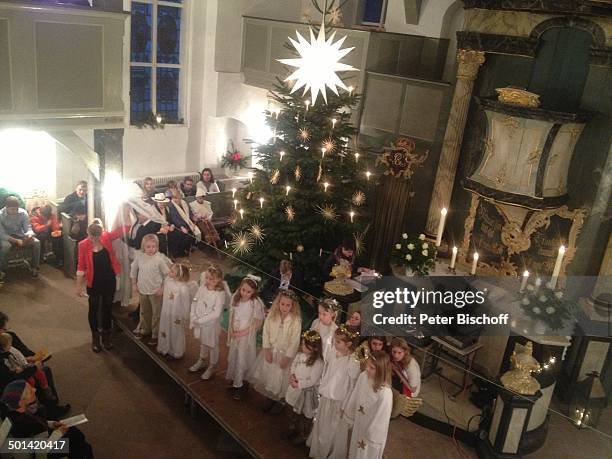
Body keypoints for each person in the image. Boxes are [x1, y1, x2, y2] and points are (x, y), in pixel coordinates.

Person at [307, 324, 361, 459]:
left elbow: (353, 384)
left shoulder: (353, 360)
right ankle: (318, 450)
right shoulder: (333, 352)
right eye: (335, 340)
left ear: (348, 344)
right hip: (327, 396)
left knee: (333, 429)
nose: (334, 343)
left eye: (338, 342)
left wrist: (347, 405)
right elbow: (328, 370)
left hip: (340, 400)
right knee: (322, 424)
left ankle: (329, 453)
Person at [1, 380, 93, 458]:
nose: (34, 389)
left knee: (74, 433)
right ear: (20, 403)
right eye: (30, 391)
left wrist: (51, 424)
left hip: (38, 441)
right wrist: (58, 433)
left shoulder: (19, 412)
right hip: (37, 452)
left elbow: (38, 422)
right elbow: (40, 451)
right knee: (77, 442)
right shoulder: (22, 425)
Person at [76, 217, 128, 352]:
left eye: (97, 237)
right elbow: (81, 266)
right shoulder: (83, 245)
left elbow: (123, 229)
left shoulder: (106, 237)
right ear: (88, 234)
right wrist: (78, 286)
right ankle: (95, 339)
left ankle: (106, 337)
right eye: (92, 237)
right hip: (94, 281)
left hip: (108, 279)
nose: (94, 240)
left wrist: (127, 209)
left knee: (107, 308)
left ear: (101, 233)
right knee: (93, 309)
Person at [0, 311, 67, 415]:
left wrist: (36, 357)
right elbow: (11, 379)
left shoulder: (9, 337)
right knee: (43, 371)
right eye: (4, 329)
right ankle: (48, 409)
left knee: (42, 370)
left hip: (20, 367)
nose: (6, 331)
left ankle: (51, 407)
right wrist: (34, 368)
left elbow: (24, 352)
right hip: (10, 384)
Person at [251, 290, 302, 414]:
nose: (284, 307)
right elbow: (266, 332)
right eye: (282, 304)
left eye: (288, 305)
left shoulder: (295, 320)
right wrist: (266, 348)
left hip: (285, 355)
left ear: (292, 306)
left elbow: (295, 341)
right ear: (278, 303)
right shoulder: (272, 315)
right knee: (270, 375)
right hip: (272, 351)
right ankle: (271, 397)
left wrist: (288, 357)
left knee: (282, 378)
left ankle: (281, 400)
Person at [342, 351, 393, 459]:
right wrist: (349, 413)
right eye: (367, 365)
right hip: (360, 423)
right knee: (355, 450)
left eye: (372, 367)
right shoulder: (363, 376)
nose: (367, 369)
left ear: (381, 371)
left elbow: (381, 419)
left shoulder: (385, 393)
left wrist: (370, 435)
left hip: (370, 432)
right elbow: (355, 395)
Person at [226, 275, 265, 401]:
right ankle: (236, 381)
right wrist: (231, 329)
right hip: (235, 334)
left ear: (253, 292)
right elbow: (232, 315)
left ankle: (240, 385)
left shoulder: (255, 303)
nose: (245, 293)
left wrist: (242, 333)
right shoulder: (236, 298)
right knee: (235, 357)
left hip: (245, 337)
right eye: (243, 290)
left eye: (248, 292)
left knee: (242, 359)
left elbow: (258, 322)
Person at [130, 234, 171, 346]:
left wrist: (162, 288)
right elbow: (133, 271)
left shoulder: (159, 259)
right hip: (143, 290)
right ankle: (145, 329)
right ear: (144, 246)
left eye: (153, 246)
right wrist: (134, 284)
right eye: (148, 246)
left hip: (155, 291)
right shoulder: (140, 257)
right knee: (144, 311)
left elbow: (167, 275)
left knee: (156, 313)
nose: (151, 249)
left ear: (157, 247)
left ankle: (155, 334)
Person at [285, 330, 324, 445]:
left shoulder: (318, 363)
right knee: (293, 410)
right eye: (302, 344)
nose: (302, 347)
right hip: (295, 387)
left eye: (305, 345)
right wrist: (292, 376)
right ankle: (293, 428)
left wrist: (299, 384)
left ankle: (303, 434)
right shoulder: (300, 355)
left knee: (305, 414)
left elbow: (312, 380)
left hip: (306, 392)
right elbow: (293, 365)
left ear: (314, 348)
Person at [189, 265, 227, 380]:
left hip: (210, 325)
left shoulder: (219, 294)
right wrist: (193, 315)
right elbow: (195, 300)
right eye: (207, 278)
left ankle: (212, 365)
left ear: (218, 279)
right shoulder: (202, 288)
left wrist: (200, 320)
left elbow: (216, 313)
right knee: (203, 342)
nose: (208, 281)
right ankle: (202, 359)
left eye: (212, 279)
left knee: (212, 344)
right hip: (199, 320)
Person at [157, 262, 195, 359]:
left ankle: (176, 351)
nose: (169, 271)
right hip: (166, 311)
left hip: (176, 315)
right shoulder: (168, 281)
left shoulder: (183, 288)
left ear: (179, 275)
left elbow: (186, 304)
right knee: (165, 328)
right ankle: (165, 347)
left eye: (172, 271)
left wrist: (185, 317)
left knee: (175, 332)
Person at [0, 333, 54, 400]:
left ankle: (46, 389)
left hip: (23, 365)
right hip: (17, 371)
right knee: (31, 380)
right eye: (9, 345)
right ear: (3, 348)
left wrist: (28, 359)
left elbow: (18, 357)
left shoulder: (10, 349)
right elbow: (11, 373)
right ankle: (32, 396)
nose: (11, 346)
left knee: (40, 373)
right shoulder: (3, 358)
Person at [0, 196, 41, 281]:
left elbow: (28, 228)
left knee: (37, 243)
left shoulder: (23, 213)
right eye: (12, 209)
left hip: (20, 234)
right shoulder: (1, 215)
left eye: (16, 209)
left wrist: (29, 235)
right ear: (6, 207)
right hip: (6, 236)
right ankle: (2, 269)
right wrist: (16, 241)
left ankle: (34, 267)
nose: (15, 211)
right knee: (6, 247)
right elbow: (2, 234)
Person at [152, 192, 189, 258]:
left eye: (163, 202)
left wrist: (172, 225)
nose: (162, 204)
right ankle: (169, 255)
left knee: (181, 233)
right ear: (156, 202)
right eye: (160, 203)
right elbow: (153, 223)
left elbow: (171, 220)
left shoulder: (167, 208)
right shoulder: (152, 210)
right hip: (159, 229)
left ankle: (179, 251)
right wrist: (163, 228)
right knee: (167, 238)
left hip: (168, 227)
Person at [167, 188, 200, 254]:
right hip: (177, 225)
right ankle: (181, 251)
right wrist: (182, 227)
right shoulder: (171, 205)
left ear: (180, 197)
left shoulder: (184, 202)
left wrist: (193, 217)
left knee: (195, 229)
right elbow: (174, 219)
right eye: (174, 198)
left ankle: (189, 247)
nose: (176, 200)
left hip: (187, 222)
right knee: (184, 234)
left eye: (177, 198)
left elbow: (189, 213)